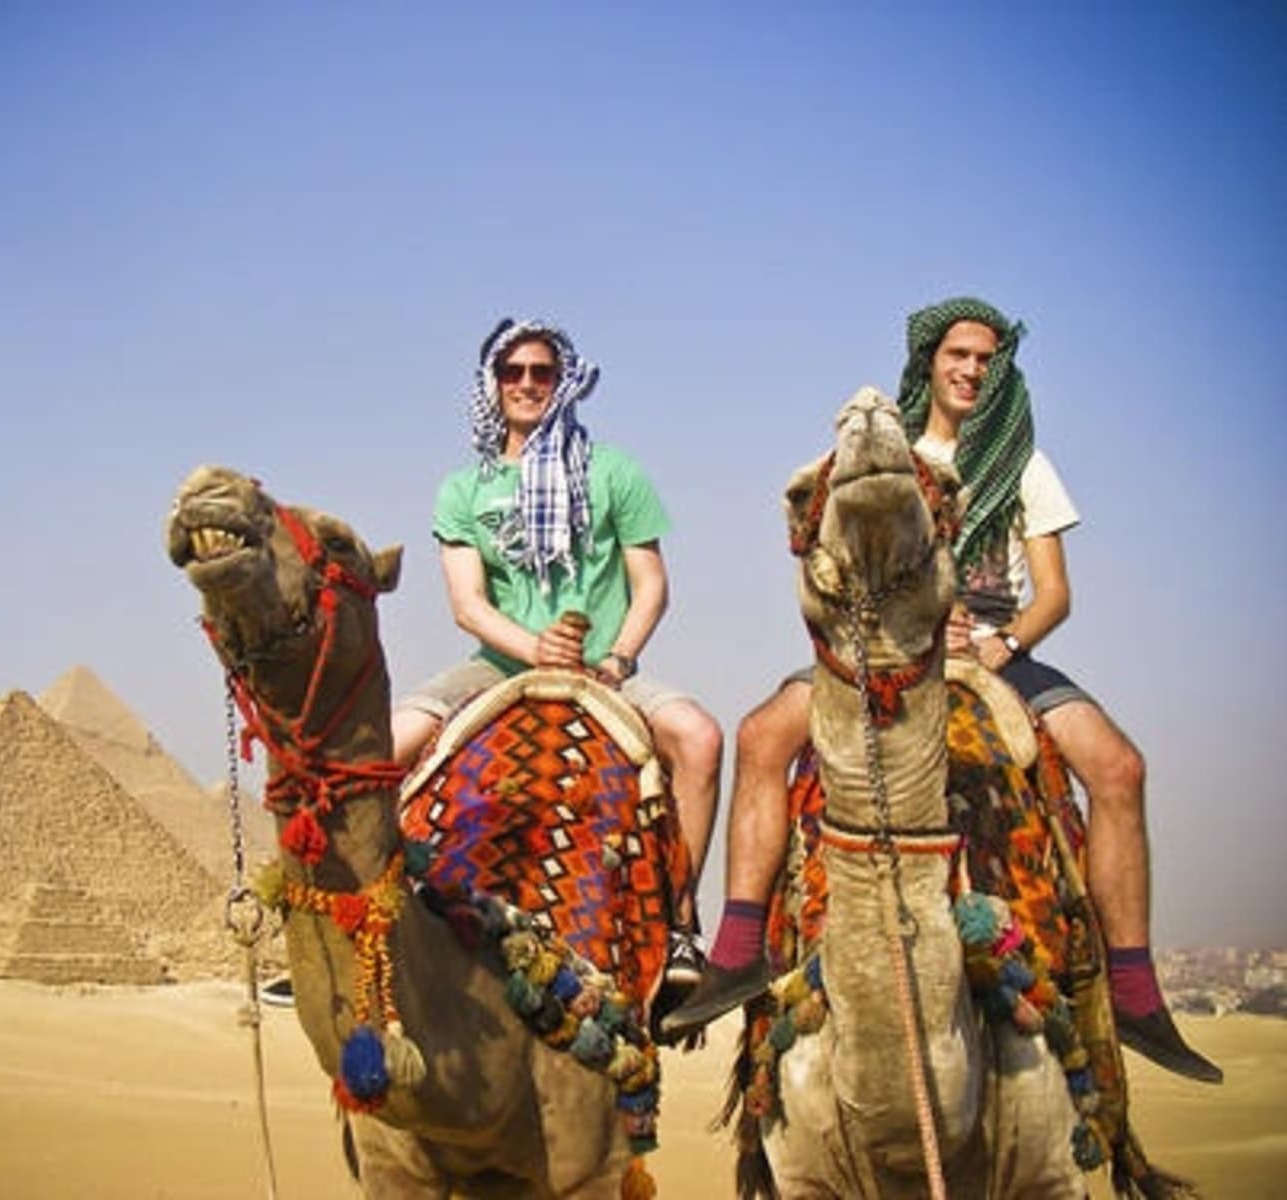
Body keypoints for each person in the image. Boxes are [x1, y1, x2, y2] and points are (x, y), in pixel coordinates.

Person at [663, 297, 1221, 1085]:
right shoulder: (894, 463)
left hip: (997, 647)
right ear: (930, 361)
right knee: (759, 737)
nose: (970, 370)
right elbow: (828, 563)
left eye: (986, 360)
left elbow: (1054, 593)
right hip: (889, 644)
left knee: (1119, 768)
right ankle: (735, 950)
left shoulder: (1025, 466)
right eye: (957, 355)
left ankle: (1133, 988)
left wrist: (1003, 643)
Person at [391, 317, 724, 988]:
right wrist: (537, 649)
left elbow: (650, 586)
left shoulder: (614, 472)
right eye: (511, 373)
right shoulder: (464, 490)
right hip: (497, 666)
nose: (526, 385)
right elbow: (469, 604)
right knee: (384, 746)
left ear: (563, 380)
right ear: (491, 384)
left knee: (700, 738)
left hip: (604, 666)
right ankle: (371, 921)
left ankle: (682, 923)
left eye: (541, 372)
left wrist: (617, 660)